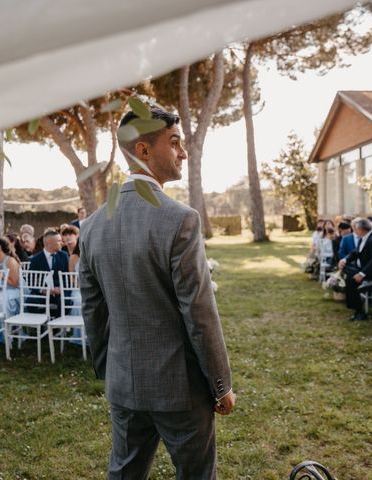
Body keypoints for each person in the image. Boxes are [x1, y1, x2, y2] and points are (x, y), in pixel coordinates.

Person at [79, 106, 234, 479]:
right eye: (176, 142)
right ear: (144, 151)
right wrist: (220, 384)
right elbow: (199, 313)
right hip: (179, 388)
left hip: (123, 383)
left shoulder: (92, 226)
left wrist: (109, 368)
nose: (184, 152)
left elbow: (92, 311)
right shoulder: (180, 218)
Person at [338, 218, 372, 321]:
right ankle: (358, 311)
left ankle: (359, 312)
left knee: (351, 281)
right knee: (345, 268)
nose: (354, 231)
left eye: (355, 229)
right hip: (365, 271)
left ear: (361, 229)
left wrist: (362, 274)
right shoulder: (364, 237)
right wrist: (345, 259)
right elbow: (355, 252)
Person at [29, 230, 69, 316]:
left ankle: (58, 327)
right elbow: (30, 281)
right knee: (30, 300)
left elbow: (68, 277)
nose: (62, 243)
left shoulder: (64, 256)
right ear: (49, 243)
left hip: (59, 293)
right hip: (43, 293)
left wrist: (61, 288)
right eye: (59, 241)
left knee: (66, 300)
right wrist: (43, 290)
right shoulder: (35, 259)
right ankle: (40, 326)